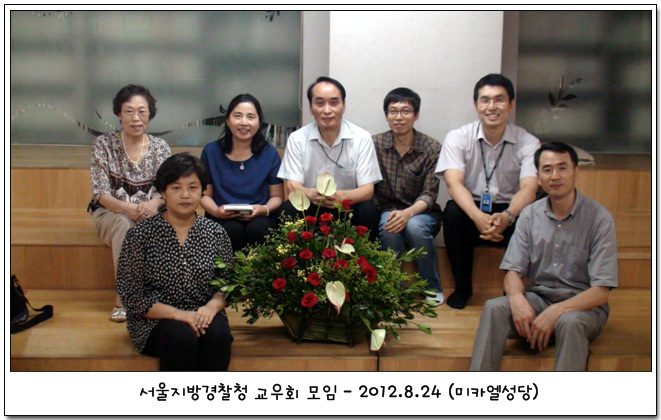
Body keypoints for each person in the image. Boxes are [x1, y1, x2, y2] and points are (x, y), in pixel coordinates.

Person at [469, 142, 618, 371]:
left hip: (581, 306)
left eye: (562, 168)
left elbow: (601, 292)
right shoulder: (529, 215)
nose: (555, 176)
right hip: (539, 298)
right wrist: (517, 300)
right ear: (538, 177)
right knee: (494, 308)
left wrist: (555, 312)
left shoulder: (599, 219)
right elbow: (512, 272)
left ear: (576, 172)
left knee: (569, 322)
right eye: (547, 170)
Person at [116, 153, 234, 371]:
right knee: (182, 338)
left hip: (203, 312)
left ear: (203, 191)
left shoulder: (215, 232)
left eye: (193, 187)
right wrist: (179, 315)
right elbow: (132, 296)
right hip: (156, 319)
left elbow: (227, 284)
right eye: (176, 188)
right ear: (163, 192)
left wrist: (211, 307)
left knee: (218, 335)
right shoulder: (140, 235)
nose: (185, 195)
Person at [435, 73, 540, 309]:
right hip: (472, 210)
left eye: (499, 99)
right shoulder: (458, 137)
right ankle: (463, 288)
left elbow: (530, 188)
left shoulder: (528, 142)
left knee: (530, 215)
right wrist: (477, 216)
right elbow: (453, 184)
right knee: (452, 213)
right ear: (476, 105)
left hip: (510, 211)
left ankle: (511, 292)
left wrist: (508, 216)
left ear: (511, 104)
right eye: (485, 100)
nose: (492, 107)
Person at [88, 84, 171, 322]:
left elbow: (168, 189)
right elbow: (101, 194)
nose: (136, 118)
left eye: (142, 111)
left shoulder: (160, 147)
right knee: (124, 224)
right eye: (129, 111)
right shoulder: (104, 145)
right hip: (111, 214)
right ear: (119, 114)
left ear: (150, 113)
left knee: (169, 222)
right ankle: (125, 297)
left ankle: (162, 294)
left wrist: (154, 204)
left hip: (151, 212)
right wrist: (131, 209)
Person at [278, 76, 382, 241]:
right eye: (320, 103)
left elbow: (367, 191)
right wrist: (311, 194)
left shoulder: (362, 138)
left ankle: (365, 257)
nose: (327, 110)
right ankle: (296, 258)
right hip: (312, 206)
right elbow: (292, 187)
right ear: (311, 108)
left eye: (334, 103)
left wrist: (341, 197)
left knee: (368, 210)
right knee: (289, 208)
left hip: (347, 207)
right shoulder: (297, 139)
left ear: (344, 105)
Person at [372, 88, 444, 304]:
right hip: (387, 209)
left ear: (416, 114)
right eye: (393, 111)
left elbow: (430, 194)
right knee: (389, 224)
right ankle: (390, 288)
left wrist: (408, 214)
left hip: (423, 212)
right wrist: (398, 215)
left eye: (405, 111)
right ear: (386, 115)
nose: (399, 117)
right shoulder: (374, 144)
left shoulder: (431, 148)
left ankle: (431, 286)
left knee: (415, 227)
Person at [200, 94, 284, 251]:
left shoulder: (270, 153)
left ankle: (260, 268)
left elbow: (277, 196)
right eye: (237, 116)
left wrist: (264, 209)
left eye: (250, 117)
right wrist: (216, 212)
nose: (244, 122)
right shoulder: (211, 152)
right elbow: (204, 195)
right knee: (231, 230)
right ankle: (227, 268)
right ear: (227, 120)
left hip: (260, 215)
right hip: (221, 215)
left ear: (259, 123)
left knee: (258, 229)